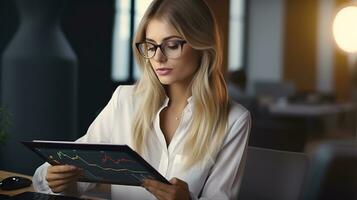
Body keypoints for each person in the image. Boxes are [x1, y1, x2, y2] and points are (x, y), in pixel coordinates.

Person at [32, 0, 251, 199]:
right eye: (150, 45)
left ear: (202, 44)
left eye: (172, 45)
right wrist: (56, 180)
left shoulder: (234, 120)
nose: (158, 57)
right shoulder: (124, 100)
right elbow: (57, 174)